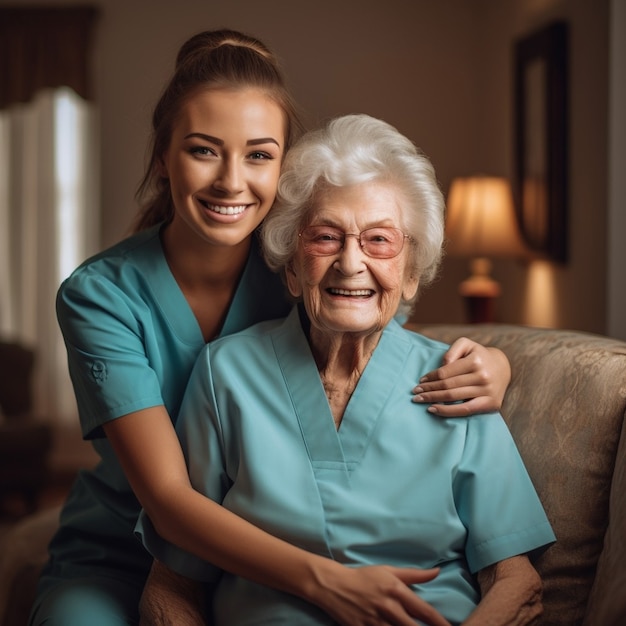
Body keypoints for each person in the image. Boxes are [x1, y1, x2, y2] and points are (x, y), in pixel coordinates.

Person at [30, 30, 513, 626]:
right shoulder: (100, 296)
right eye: (204, 150)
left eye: (259, 154)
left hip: (262, 559)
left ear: (283, 166)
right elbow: (170, 502)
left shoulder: (307, 266)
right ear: (163, 156)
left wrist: (496, 364)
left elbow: (395, 330)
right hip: (127, 550)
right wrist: (329, 582)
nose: (232, 181)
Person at [137, 114, 555, 626]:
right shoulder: (226, 374)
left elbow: (518, 582)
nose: (351, 262)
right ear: (292, 267)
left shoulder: (458, 378)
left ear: (410, 276)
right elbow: (173, 580)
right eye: (326, 237)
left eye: (379, 240)